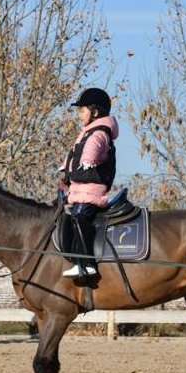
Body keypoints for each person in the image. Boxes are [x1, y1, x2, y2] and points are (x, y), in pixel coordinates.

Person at [59, 87, 118, 278]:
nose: (79, 115)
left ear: (95, 112)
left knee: (80, 217)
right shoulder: (86, 132)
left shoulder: (99, 133)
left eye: (82, 111)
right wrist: (65, 167)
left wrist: (88, 161)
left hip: (91, 190)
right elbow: (74, 152)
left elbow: (92, 149)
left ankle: (87, 263)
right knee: (68, 216)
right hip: (80, 188)